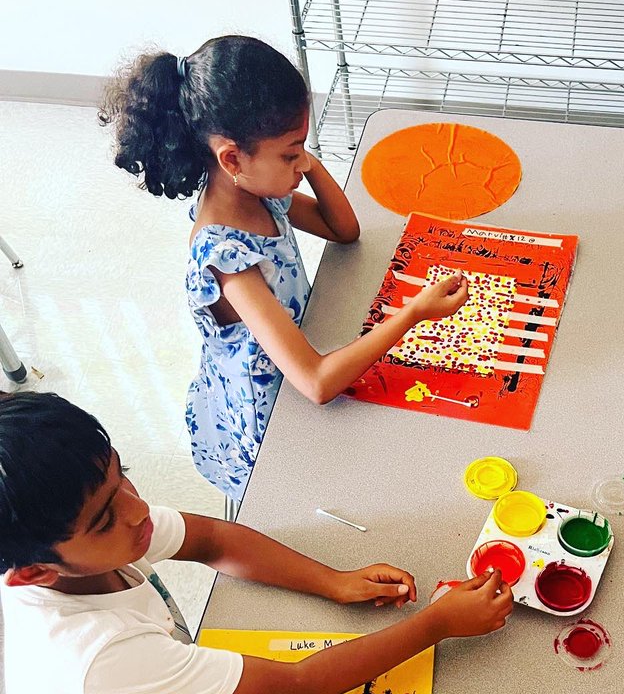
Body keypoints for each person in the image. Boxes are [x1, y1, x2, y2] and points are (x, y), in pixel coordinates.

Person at [0, 393, 511, 694]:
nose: (138, 511)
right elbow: (299, 683)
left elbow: (212, 541)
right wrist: (436, 625)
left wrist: (333, 581)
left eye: (121, 474)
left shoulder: (95, 531)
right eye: (106, 517)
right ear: (36, 572)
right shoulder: (94, 653)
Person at [99, 35, 468, 501]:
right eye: (290, 153)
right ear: (232, 158)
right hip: (266, 416)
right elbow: (315, 382)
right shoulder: (228, 262)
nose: (300, 163)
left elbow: (344, 229)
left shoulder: (256, 191)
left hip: (292, 361)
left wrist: (304, 164)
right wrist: (413, 313)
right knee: (288, 506)